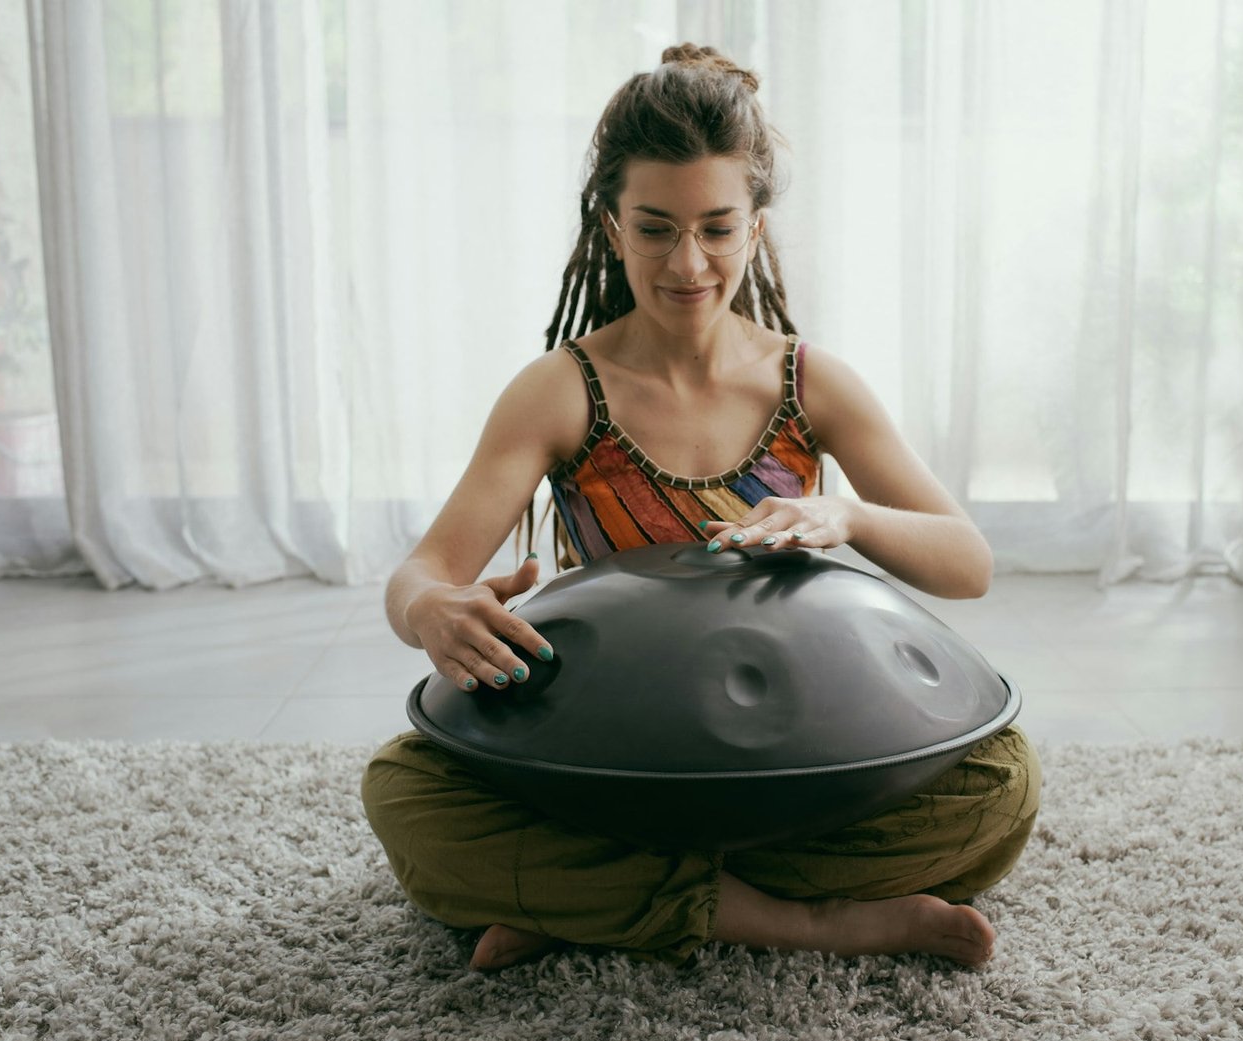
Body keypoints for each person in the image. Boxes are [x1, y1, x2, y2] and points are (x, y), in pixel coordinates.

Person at [362, 44, 1039, 973]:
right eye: (655, 229)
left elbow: (971, 563)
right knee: (405, 793)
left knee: (1002, 787)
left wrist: (849, 519)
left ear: (756, 228)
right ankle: (813, 919)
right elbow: (422, 573)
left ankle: (593, 899)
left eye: (717, 228)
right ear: (611, 227)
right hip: (612, 764)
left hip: (793, 767)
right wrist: (429, 608)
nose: (689, 263)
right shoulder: (562, 390)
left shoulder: (811, 383)